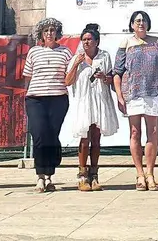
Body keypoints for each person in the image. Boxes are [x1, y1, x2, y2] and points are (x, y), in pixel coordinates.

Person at [113, 10, 158, 191]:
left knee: (152, 132)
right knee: (135, 133)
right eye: (137, 20)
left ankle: (150, 173)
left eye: (144, 20)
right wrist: (120, 96)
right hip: (133, 93)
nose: (141, 23)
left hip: (152, 93)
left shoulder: (157, 42)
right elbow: (117, 72)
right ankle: (139, 174)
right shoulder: (126, 43)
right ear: (131, 24)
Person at [65, 22, 118, 192]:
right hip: (84, 101)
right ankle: (82, 176)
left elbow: (111, 79)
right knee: (84, 138)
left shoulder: (104, 56)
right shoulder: (77, 58)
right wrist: (76, 64)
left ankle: (94, 175)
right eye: (84, 39)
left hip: (100, 100)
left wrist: (104, 77)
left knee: (96, 138)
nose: (86, 42)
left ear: (97, 41)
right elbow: (68, 81)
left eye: (90, 39)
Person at [23, 17, 72, 192]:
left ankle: (50, 175)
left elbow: (70, 76)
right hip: (36, 99)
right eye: (46, 31)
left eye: (52, 30)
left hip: (58, 98)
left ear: (57, 33)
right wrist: (27, 96)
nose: (49, 33)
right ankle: (40, 176)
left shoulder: (66, 52)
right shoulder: (34, 52)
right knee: (39, 135)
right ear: (41, 34)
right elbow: (27, 77)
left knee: (52, 136)